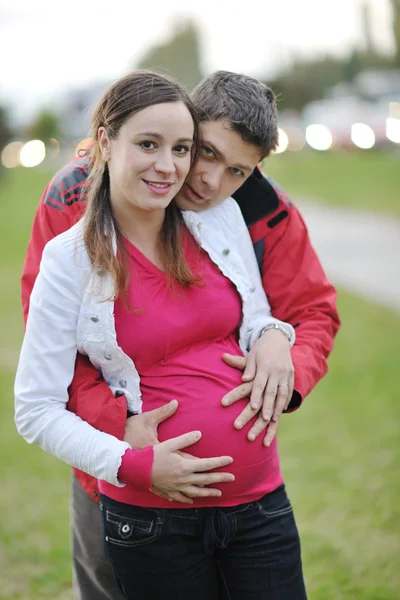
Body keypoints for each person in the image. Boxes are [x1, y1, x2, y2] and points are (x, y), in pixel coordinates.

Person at [19, 70, 340, 599]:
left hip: (253, 503)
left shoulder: (252, 209)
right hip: (120, 474)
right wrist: (119, 430)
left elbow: (308, 310)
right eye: (205, 152)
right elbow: (51, 348)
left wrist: (282, 356)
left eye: (236, 168)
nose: (207, 179)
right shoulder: (75, 198)